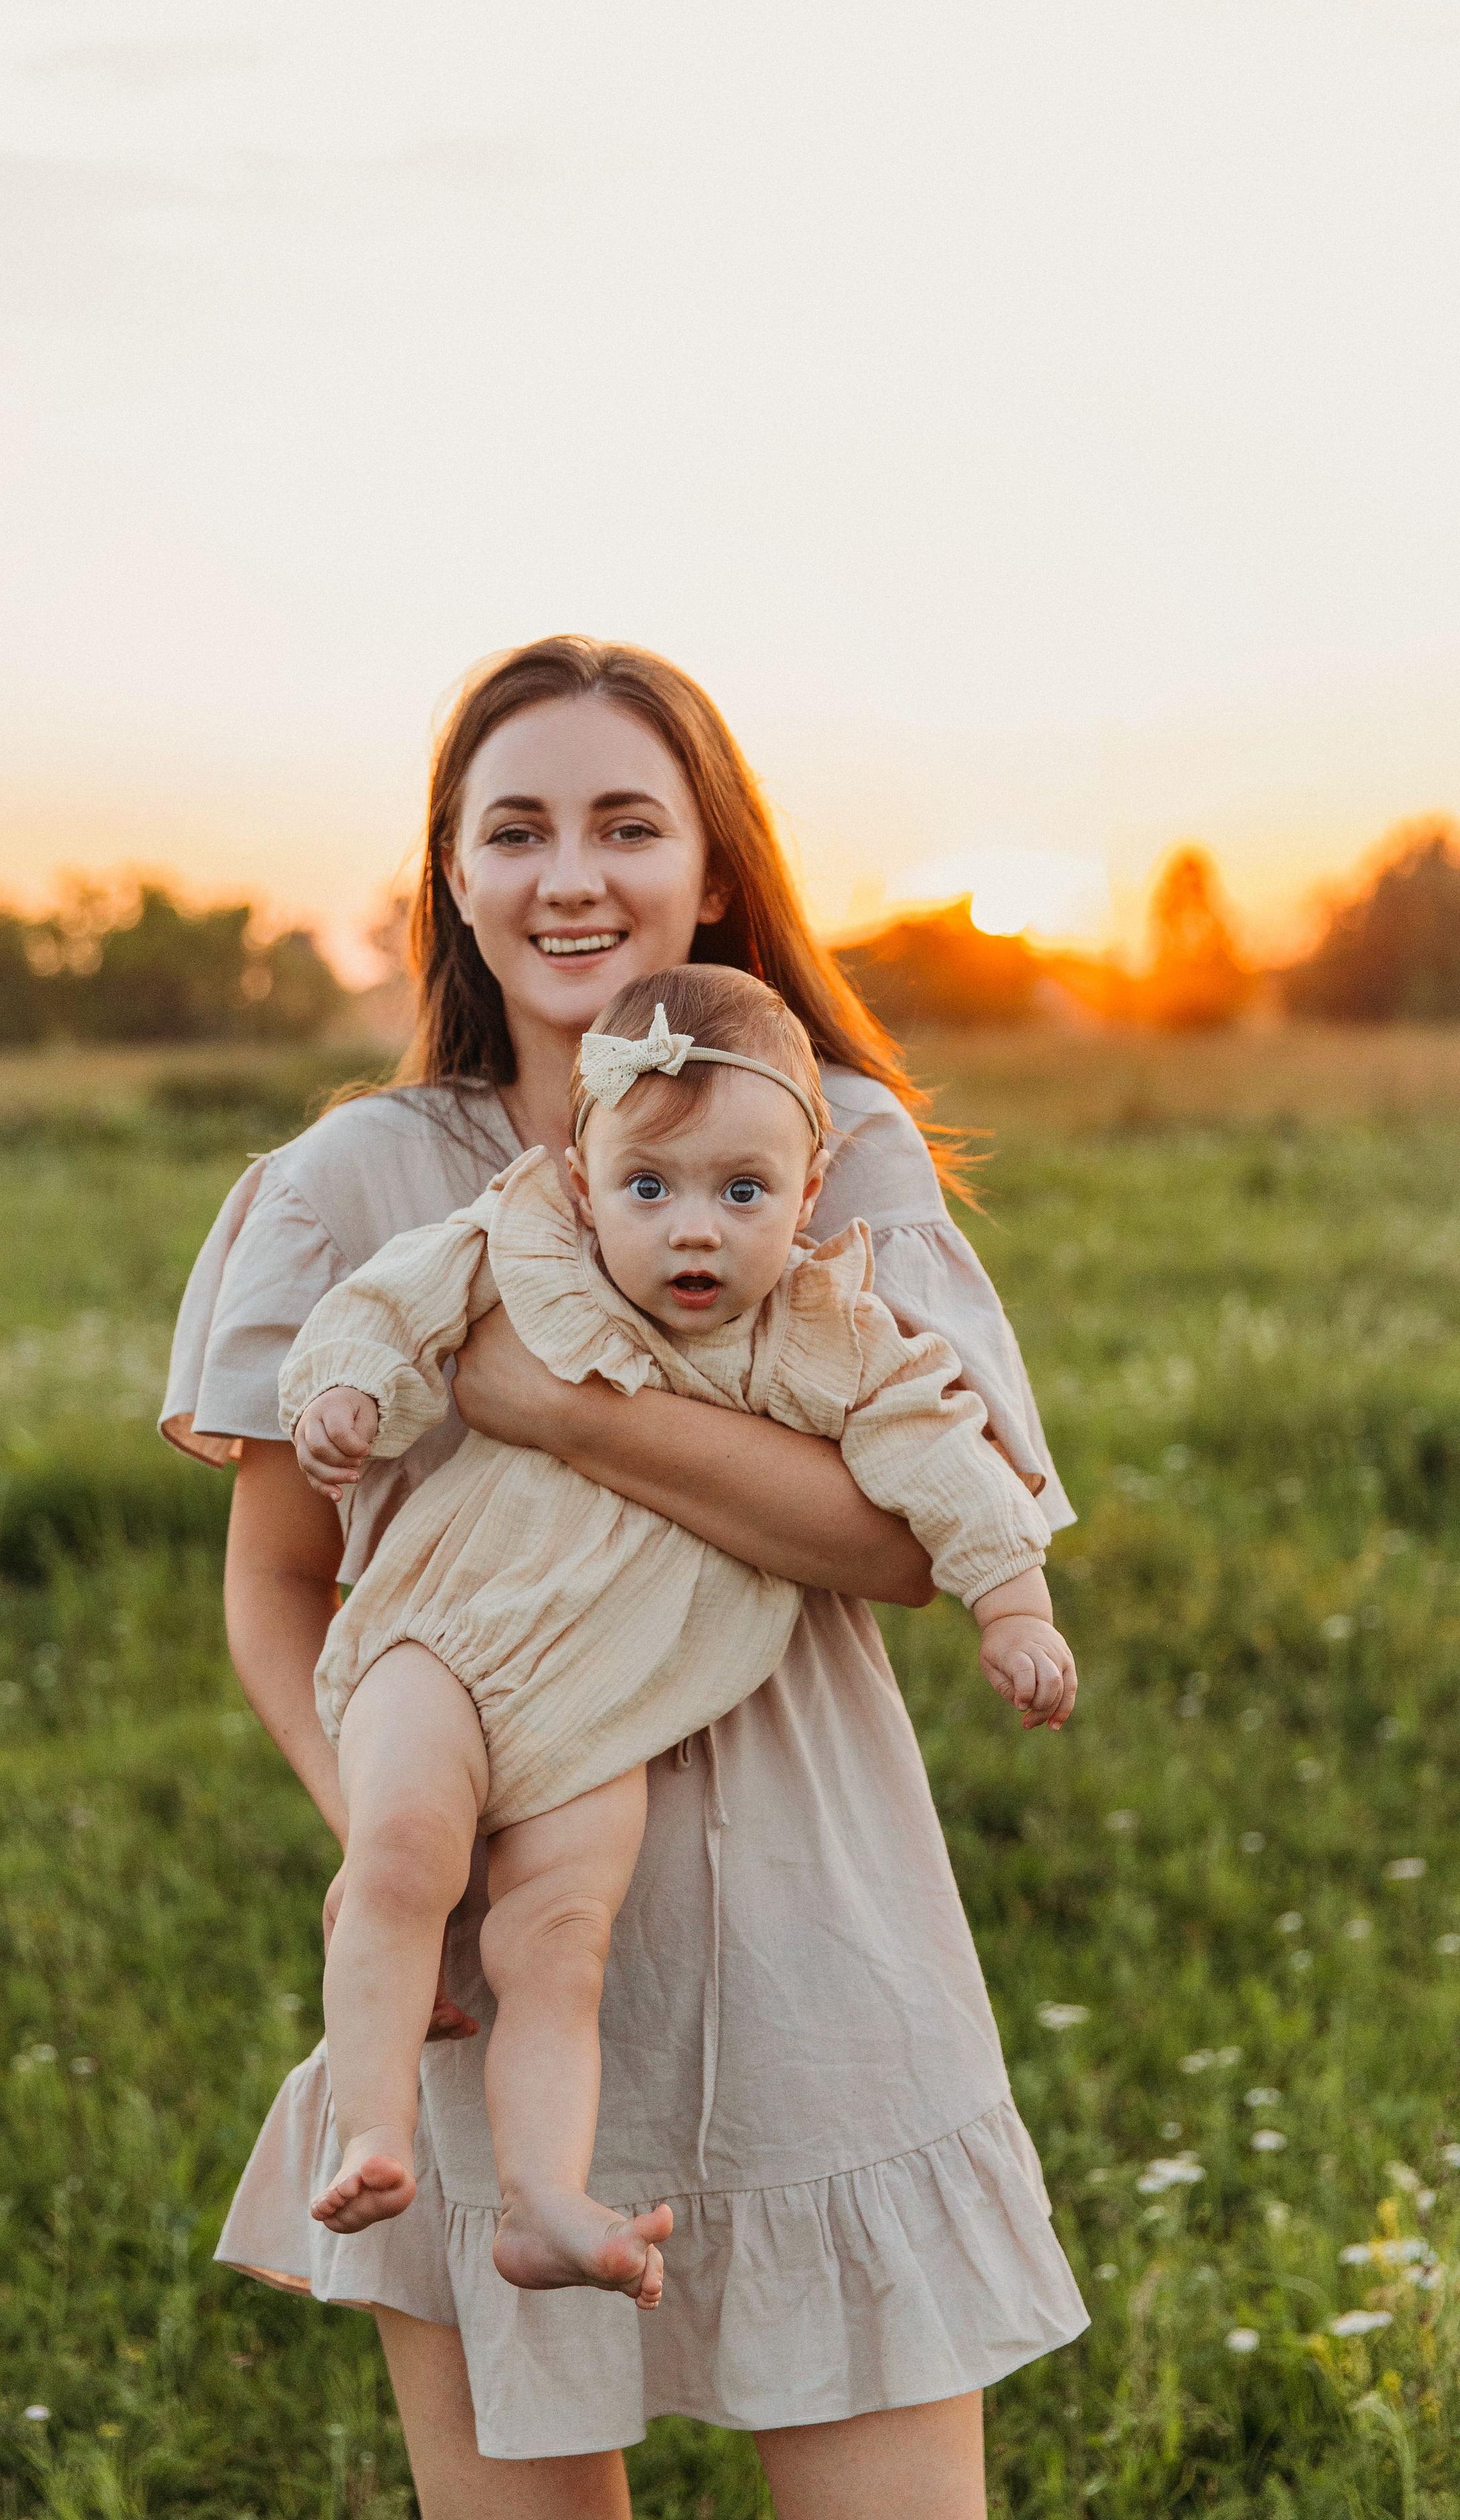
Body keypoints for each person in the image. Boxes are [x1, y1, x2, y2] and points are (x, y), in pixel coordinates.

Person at [160, 635, 1088, 2520]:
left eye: (622, 825)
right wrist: (399, 1866)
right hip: (501, 1964)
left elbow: (919, 1539)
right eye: (514, 829)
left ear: (710, 871)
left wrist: (556, 1408)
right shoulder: (358, 1183)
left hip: (818, 1937)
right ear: (453, 876)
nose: (567, 875)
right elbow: (277, 1584)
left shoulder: (826, 1143)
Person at [282, 966, 1074, 2312]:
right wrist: (341, 1392)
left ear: (808, 1195)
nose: (691, 1232)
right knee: (404, 1849)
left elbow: (935, 1454)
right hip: (442, 1640)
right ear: (582, 1182)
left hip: (608, 1710)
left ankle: (543, 2204)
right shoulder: (518, 1244)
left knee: (554, 1936)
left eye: (740, 1193)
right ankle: (373, 2128)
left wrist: (1013, 1603)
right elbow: (380, 1306)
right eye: (648, 1188)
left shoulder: (819, 1336)